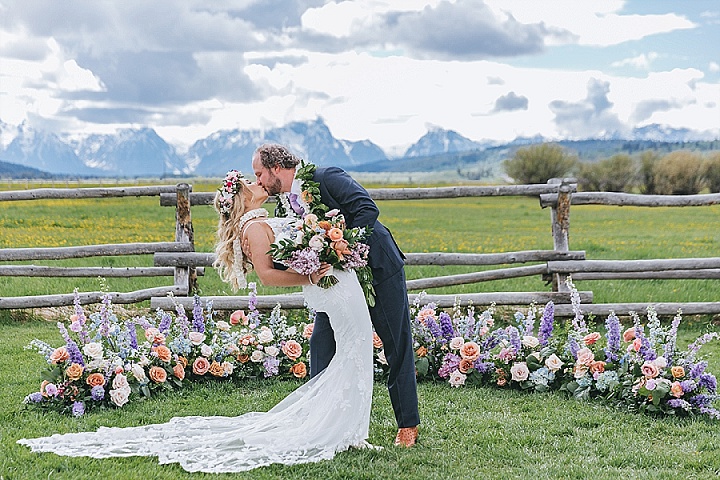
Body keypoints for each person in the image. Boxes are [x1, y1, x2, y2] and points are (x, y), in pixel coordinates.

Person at [17, 173, 377, 473]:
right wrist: (312, 276)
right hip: (331, 290)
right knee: (355, 352)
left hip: (337, 289)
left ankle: (348, 430)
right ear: (244, 199)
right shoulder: (254, 226)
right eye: (251, 183)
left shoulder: (259, 221)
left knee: (356, 351)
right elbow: (268, 276)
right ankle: (342, 431)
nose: (258, 183)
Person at [252, 143, 420, 447]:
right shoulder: (285, 204)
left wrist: (342, 250)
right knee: (321, 343)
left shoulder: (325, 177)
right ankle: (319, 420)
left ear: (276, 167)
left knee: (395, 342)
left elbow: (367, 209)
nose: (259, 181)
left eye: (260, 173)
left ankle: (408, 425)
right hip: (338, 285)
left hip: (378, 268)